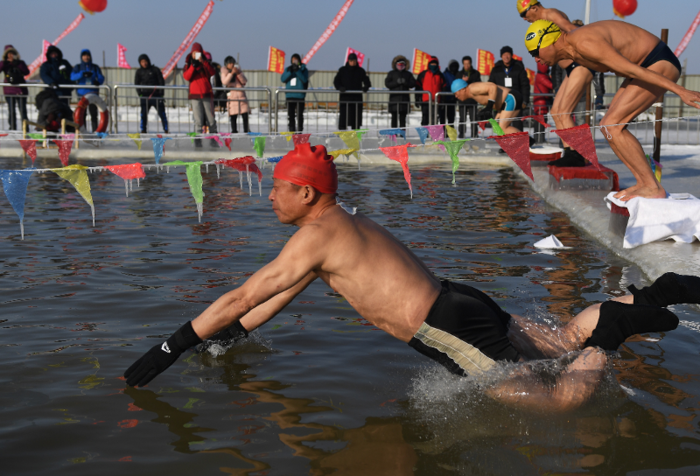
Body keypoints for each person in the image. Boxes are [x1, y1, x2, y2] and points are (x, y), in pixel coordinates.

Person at [124, 143, 698, 412]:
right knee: (559, 343)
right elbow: (273, 297)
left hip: (443, 326)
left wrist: (171, 346)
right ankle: (646, 295)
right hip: (459, 300)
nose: (270, 195)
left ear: (306, 192)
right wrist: (233, 334)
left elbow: (245, 292)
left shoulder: (313, 237)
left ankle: (614, 330)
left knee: (556, 402)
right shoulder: (341, 224)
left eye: (277, 186)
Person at [525, 19, 700, 200]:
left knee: (612, 125)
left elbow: (633, 71)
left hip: (657, 62)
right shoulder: (572, 48)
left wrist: (680, 90)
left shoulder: (584, 43)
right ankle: (644, 183)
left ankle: (652, 186)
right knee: (607, 126)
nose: (536, 59)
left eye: (535, 52)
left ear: (549, 41)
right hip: (644, 66)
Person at [518, 0, 595, 167]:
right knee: (556, 112)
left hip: (579, 64)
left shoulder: (550, 14)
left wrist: (590, 52)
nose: (524, 18)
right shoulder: (543, 21)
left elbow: (573, 30)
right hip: (570, 68)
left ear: (534, 8)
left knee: (564, 112)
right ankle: (570, 152)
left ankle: (580, 154)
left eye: (524, 13)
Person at [452, 79, 529, 138]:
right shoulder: (472, 92)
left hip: (510, 98)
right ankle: (516, 144)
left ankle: (527, 141)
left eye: (456, 93)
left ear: (462, 89)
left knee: (503, 128)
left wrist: (489, 107)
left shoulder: (472, 88)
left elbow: (492, 86)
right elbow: (495, 96)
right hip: (505, 102)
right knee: (498, 128)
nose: (456, 96)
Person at [183, 42, 218, 147]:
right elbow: (187, 76)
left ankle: (214, 141)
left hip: (207, 94)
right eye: (194, 53)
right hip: (195, 95)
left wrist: (204, 62)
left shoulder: (205, 63)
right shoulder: (188, 64)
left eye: (198, 53)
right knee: (198, 121)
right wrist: (193, 66)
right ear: (191, 53)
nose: (196, 55)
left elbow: (212, 72)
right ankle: (198, 143)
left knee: (211, 120)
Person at [488, 46, 530, 132]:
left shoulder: (519, 68)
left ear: (511, 55)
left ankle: (520, 144)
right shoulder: (496, 70)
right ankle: (504, 145)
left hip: (516, 102)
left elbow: (525, 85)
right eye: (504, 55)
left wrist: (525, 101)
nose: (506, 56)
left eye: (508, 54)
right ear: (501, 56)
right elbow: (491, 85)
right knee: (501, 126)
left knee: (517, 125)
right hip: (501, 102)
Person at [70, 49, 105, 132]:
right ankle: (83, 132)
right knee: (82, 115)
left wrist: (98, 81)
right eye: (84, 55)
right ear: (81, 57)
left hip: (93, 94)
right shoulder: (77, 67)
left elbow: (101, 77)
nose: (86, 57)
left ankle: (96, 132)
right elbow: (72, 77)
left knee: (94, 114)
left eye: (88, 55)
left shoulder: (95, 67)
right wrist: (82, 74)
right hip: (81, 94)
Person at [334, 53, 371, 130]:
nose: (352, 62)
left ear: (356, 61)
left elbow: (367, 81)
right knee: (344, 119)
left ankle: (356, 137)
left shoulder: (360, 71)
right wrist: (340, 87)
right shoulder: (342, 70)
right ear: (348, 61)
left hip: (356, 99)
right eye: (351, 60)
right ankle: (342, 136)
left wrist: (365, 87)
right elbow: (336, 81)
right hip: (345, 99)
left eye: (354, 60)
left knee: (356, 120)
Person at [134, 54, 169, 134]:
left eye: (145, 61)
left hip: (156, 96)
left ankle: (166, 130)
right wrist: (140, 94)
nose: (144, 63)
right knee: (143, 115)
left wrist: (161, 94)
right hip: (145, 96)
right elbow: (136, 84)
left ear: (148, 61)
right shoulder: (139, 72)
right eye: (142, 62)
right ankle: (143, 130)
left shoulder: (155, 70)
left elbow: (161, 81)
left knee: (162, 114)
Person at [0, 45, 29, 130]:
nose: (11, 55)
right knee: (11, 111)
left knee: (23, 111)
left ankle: (25, 129)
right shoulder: (4, 64)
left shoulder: (21, 62)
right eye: (9, 53)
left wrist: (17, 63)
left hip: (21, 90)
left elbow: (26, 71)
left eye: (12, 53)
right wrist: (4, 63)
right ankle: (12, 128)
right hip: (9, 91)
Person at [384, 55, 416, 130]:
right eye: (399, 65)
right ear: (395, 65)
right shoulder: (391, 73)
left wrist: (405, 83)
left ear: (405, 65)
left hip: (404, 100)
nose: (401, 66)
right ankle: (394, 133)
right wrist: (396, 83)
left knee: (402, 119)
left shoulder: (408, 74)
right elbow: (387, 84)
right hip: (394, 100)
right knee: (394, 118)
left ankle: (402, 134)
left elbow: (413, 83)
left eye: (402, 65)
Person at [221, 56, 250, 134]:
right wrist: (231, 73)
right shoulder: (225, 72)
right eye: (230, 63)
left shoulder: (239, 71)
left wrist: (238, 73)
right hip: (232, 98)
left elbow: (244, 81)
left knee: (245, 116)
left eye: (233, 63)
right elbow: (225, 82)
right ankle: (234, 132)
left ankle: (246, 131)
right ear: (226, 64)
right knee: (233, 117)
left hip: (241, 97)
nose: (232, 65)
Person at [281, 53, 309, 132]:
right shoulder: (288, 69)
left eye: (296, 60)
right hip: (290, 95)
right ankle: (292, 130)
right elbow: (283, 79)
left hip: (299, 96)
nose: (295, 62)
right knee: (291, 115)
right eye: (293, 60)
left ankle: (300, 131)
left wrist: (297, 71)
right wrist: (290, 71)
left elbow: (304, 79)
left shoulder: (304, 69)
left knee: (300, 115)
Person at [415, 56, 447, 126]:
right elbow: (418, 87)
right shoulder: (423, 74)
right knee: (425, 119)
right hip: (425, 101)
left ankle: (433, 135)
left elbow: (444, 88)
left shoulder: (440, 75)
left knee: (434, 119)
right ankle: (424, 135)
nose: (433, 65)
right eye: (432, 64)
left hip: (436, 101)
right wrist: (417, 99)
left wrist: (443, 100)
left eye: (435, 64)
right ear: (429, 64)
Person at [457, 56, 482, 138]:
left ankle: (474, 134)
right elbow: (456, 86)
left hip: (472, 100)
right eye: (465, 64)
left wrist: (469, 81)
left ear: (471, 64)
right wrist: (462, 81)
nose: (467, 65)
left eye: (468, 64)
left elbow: (479, 85)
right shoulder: (459, 74)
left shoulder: (476, 73)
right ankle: (461, 134)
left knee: (474, 118)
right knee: (462, 119)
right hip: (462, 100)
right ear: (463, 64)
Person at [532, 61, 553, 143]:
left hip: (540, 102)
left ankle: (538, 138)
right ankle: (540, 139)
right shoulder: (542, 76)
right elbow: (550, 85)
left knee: (540, 121)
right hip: (541, 102)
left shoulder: (539, 75)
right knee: (542, 121)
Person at [441, 59, 460, 126]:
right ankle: (443, 134)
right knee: (442, 118)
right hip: (444, 99)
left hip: (453, 100)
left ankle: (450, 134)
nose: (454, 68)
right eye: (452, 66)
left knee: (451, 119)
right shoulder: (444, 74)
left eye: (456, 66)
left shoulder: (458, 75)